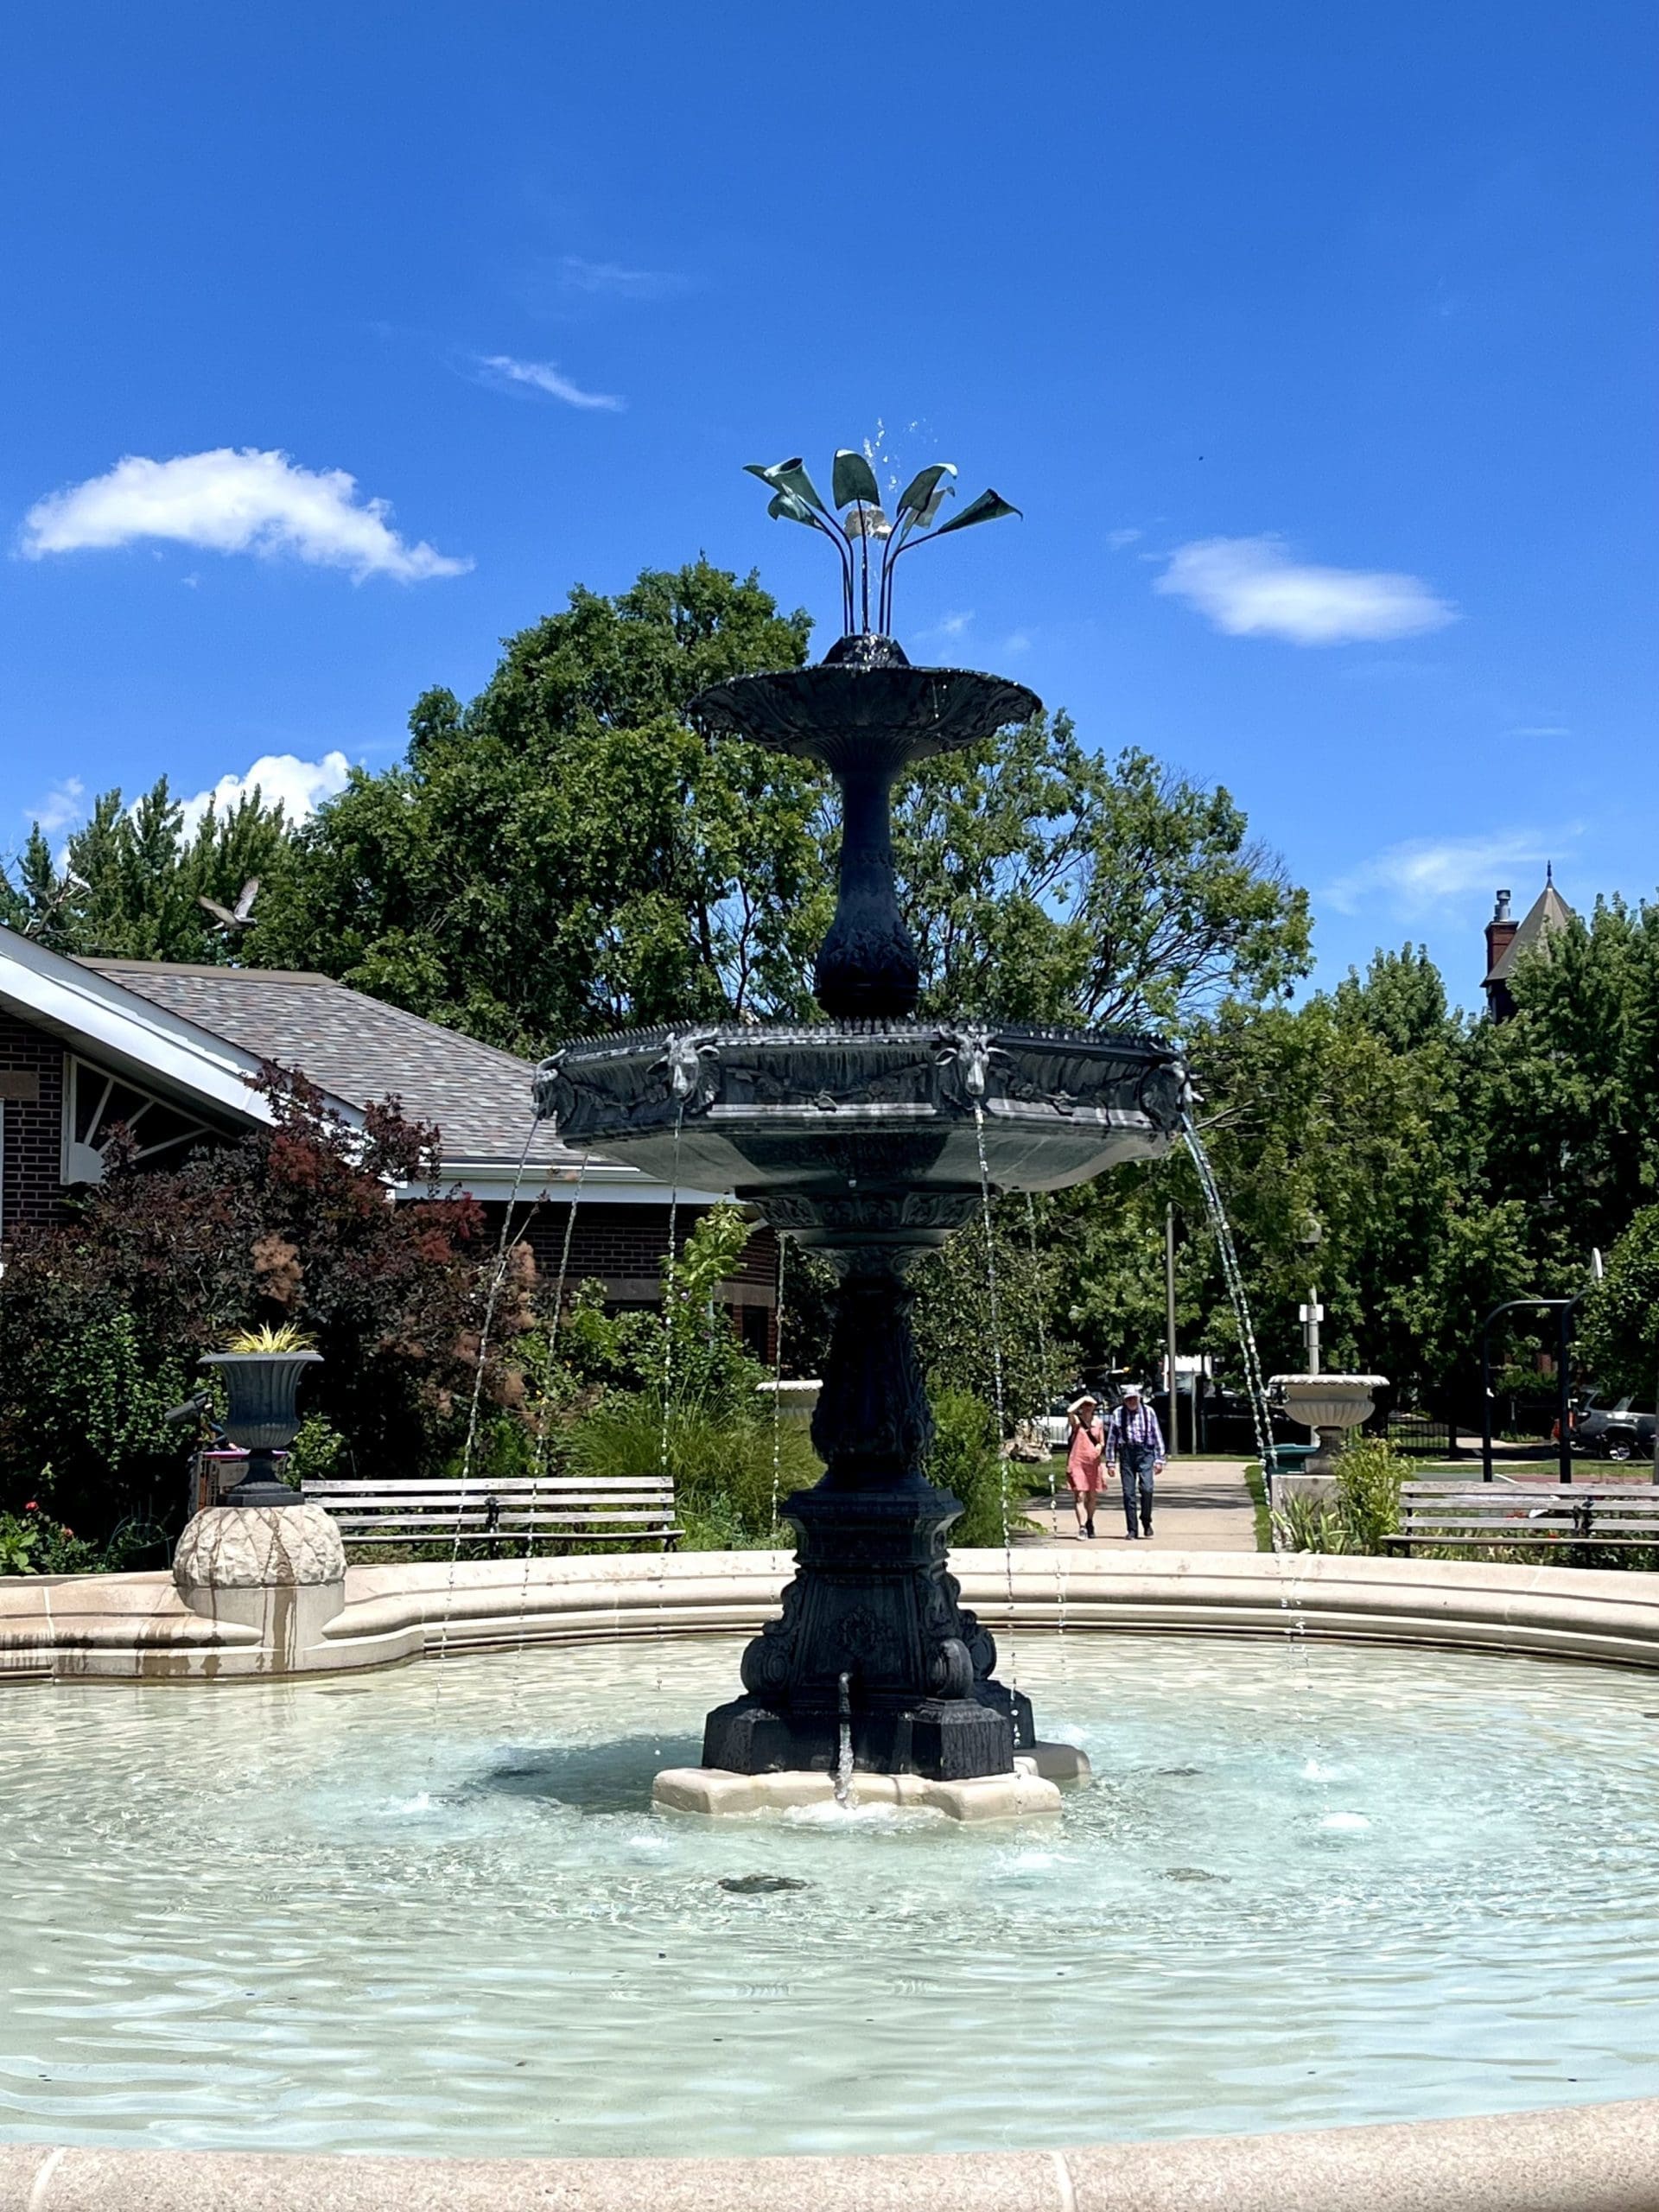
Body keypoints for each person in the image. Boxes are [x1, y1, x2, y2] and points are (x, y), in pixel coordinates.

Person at [1104, 1382, 1166, 1540]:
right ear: (1124, 1400)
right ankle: (1132, 1529)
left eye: (1134, 1398)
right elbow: (1112, 1439)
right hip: (1127, 1454)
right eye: (1128, 1399)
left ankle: (1146, 1520)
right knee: (1128, 1493)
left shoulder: (1148, 1412)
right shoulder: (1118, 1414)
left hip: (1145, 1453)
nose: (1131, 1401)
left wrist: (1160, 1459)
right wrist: (1110, 1461)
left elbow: (1157, 1434)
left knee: (1147, 1488)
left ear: (1139, 1399)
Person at [1065, 1394, 1107, 1537]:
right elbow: (1069, 1411)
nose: (1088, 1408)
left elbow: (1101, 1442)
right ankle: (1082, 1527)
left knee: (1092, 1496)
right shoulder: (1076, 1421)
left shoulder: (1098, 1422)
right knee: (1080, 1496)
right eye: (1085, 1405)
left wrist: (1099, 1447)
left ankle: (1089, 1521)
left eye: (1090, 1405)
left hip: (1093, 1463)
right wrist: (1083, 1399)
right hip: (1077, 1462)